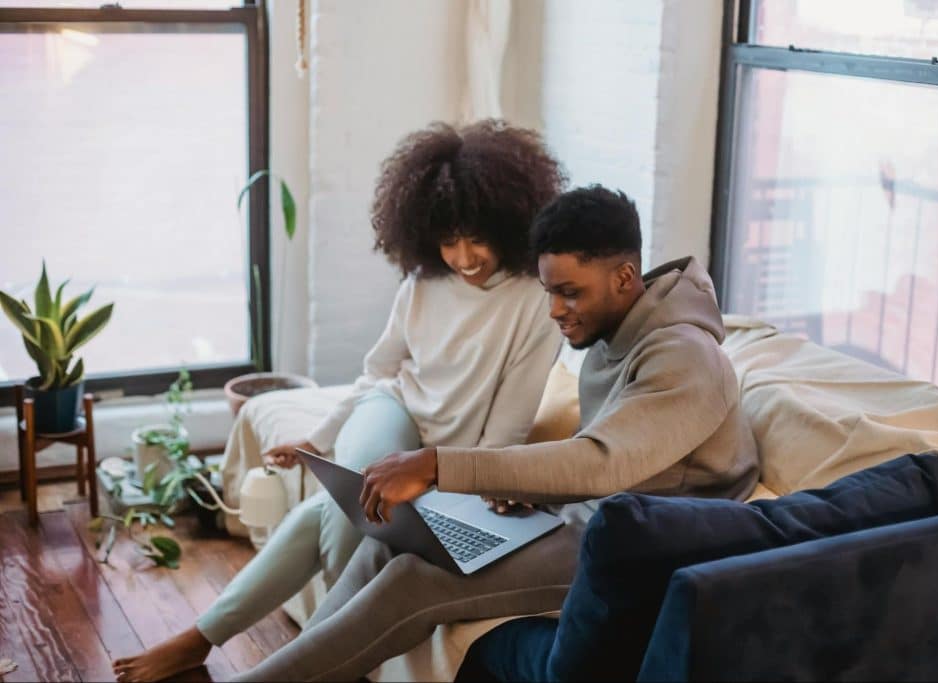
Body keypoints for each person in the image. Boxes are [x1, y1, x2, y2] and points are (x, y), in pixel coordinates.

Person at [229, 185, 761, 682]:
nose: (555, 311)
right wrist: (524, 489)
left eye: (569, 293)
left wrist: (439, 464)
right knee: (387, 545)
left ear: (625, 278)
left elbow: (602, 462)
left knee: (413, 582)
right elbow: (601, 464)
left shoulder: (686, 359)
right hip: (604, 515)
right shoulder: (613, 329)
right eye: (550, 291)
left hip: (656, 540)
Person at [111, 119, 566, 683]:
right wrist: (321, 438)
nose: (464, 257)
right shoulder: (421, 286)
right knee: (354, 487)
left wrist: (438, 475)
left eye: (477, 237)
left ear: (510, 222)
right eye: (449, 240)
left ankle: (202, 639)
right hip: (395, 410)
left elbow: (504, 435)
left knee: (336, 509)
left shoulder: (533, 302)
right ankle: (331, 663)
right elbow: (377, 374)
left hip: (450, 456)